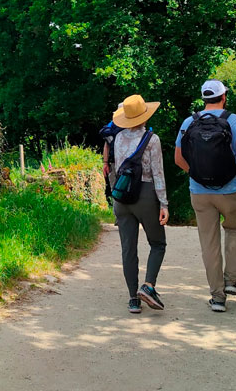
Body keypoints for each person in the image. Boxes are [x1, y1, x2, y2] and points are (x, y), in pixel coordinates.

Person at [174, 80, 236, 313]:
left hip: (200, 192)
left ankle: (218, 298)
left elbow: (178, 159)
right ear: (224, 97)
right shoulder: (235, 120)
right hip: (230, 190)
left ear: (204, 98)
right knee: (234, 230)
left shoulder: (189, 122)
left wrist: (197, 175)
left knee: (209, 242)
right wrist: (233, 174)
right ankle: (231, 281)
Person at [102, 94, 169, 314]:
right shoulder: (152, 139)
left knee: (128, 249)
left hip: (122, 197)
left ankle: (133, 299)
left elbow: (113, 170)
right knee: (157, 243)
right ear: (144, 115)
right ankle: (148, 286)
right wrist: (164, 204)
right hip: (146, 194)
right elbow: (158, 174)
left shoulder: (118, 138)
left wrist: (114, 199)